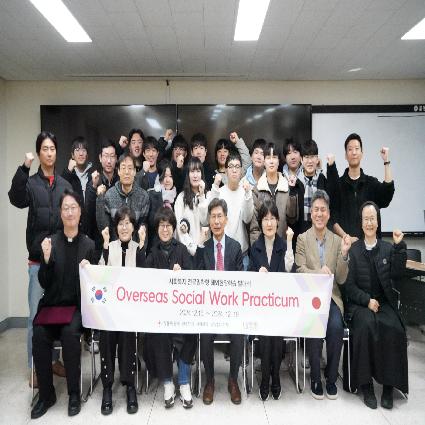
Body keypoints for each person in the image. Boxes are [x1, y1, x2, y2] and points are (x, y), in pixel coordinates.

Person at [8, 131, 71, 387]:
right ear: (38, 152)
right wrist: (24, 167)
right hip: (37, 262)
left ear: (57, 152)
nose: (49, 153)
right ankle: (35, 367)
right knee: (35, 317)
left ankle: (53, 362)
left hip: (60, 263)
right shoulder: (31, 183)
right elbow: (15, 198)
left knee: (57, 315)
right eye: (44, 149)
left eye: (52, 148)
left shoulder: (64, 185)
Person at [31, 189, 95, 419]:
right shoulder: (50, 243)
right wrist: (47, 259)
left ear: (80, 212)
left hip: (75, 309)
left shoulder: (88, 245)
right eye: (65, 208)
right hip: (51, 307)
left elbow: (95, 288)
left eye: (73, 208)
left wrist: (90, 271)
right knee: (39, 334)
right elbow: (44, 282)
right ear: (60, 213)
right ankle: (46, 395)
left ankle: (74, 394)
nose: (69, 212)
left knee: (69, 334)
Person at [345, 201, 408, 410]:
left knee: (393, 327)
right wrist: (366, 300)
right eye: (366, 219)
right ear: (361, 223)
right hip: (361, 304)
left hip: (384, 303)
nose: (369, 223)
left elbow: (398, 274)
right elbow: (349, 287)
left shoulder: (388, 248)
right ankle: (367, 386)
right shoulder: (354, 251)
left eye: (372, 219)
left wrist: (399, 247)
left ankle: (389, 386)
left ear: (378, 222)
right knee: (365, 326)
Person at [295, 190, 351, 400]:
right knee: (314, 324)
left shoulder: (337, 241)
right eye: (316, 210)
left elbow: (342, 278)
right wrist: (318, 273)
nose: (319, 214)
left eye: (323, 210)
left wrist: (344, 254)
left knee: (335, 327)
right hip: (310, 298)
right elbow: (299, 270)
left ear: (328, 214)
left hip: (331, 298)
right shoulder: (302, 239)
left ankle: (331, 377)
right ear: (311, 214)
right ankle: (315, 379)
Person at [145, 208, 196, 409]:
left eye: (168, 225)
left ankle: (183, 381)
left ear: (173, 228)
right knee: (158, 333)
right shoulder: (152, 252)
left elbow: (192, 278)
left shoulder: (181, 250)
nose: (165, 229)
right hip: (160, 311)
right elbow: (144, 280)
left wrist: (181, 274)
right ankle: (167, 383)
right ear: (157, 229)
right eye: (161, 226)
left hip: (181, 309)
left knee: (190, 331)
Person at [98, 206, 146, 415]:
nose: (124, 227)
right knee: (106, 333)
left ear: (133, 227)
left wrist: (142, 245)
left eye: (128, 223)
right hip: (110, 310)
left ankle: (130, 385)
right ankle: (107, 387)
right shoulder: (109, 247)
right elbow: (99, 275)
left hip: (130, 312)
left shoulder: (138, 247)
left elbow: (144, 277)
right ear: (115, 227)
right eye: (120, 223)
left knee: (127, 334)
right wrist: (105, 247)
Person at [196, 198, 244, 405]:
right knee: (205, 333)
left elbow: (240, 281)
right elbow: (196, 278)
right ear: (208, 220)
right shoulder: (204, 247)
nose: (216, 221)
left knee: (239, 332)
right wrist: (199, 245)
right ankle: (210, 380)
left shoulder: (235, 247)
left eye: (219, 217)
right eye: (213, 217)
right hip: (209, 307)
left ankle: (233, 379)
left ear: (226, 220)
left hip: (231, 306)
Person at [249, 200, 294, 401]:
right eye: (265, 219)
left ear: (278, 221)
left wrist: (290, 242)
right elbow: (250, 277)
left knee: (275, 330)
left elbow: (289, 270)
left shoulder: (284, 245)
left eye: (272, 218)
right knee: (267, 332)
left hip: (280, 305)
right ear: (260, 222)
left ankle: (275, 376)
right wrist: (257, 274)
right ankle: (266, 378)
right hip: (260, 306)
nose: (269, 223)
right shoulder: (255, 247)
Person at [329, 133, 395, 242]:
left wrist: (386, 161)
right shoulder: (338, 185)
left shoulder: (372, 183)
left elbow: (387, 195)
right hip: (346, 245)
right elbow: (332, 218)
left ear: (362, 154)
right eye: (350, 149)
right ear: (345, 155)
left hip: (370, 246)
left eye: (357, 148)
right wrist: (346, 237)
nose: (354, 152)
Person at [208, 151, 254, 270]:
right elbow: (210, 215)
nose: (234, 170)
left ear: (241, 170)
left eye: (237, 167)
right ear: (226, 170)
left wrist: (248, 194)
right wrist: (215, 186)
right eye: (231, 166)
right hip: (221, 253)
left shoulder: (245, 192)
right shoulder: (219, 192)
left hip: (242, 254)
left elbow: (247, 218)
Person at [250, 142, 298, 247]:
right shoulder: (256, 190)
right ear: (264, 162)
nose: (271, 161)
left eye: (274, 157)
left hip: (283, 246)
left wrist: (292, 193)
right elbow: (254, 228)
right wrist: (258, 251)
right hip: (263, 248)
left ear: (279, 161)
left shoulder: (287, 187)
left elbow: (292, 220)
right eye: (268, 158)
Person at [96, 153, 150, 243]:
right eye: (123, 168)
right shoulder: (109, 195)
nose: (127, 172)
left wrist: (140, 249)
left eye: (130, 168)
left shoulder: (143, 196)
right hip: (114, 247)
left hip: (135, 247)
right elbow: (103, 227)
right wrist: (100, 198)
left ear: (135, 172)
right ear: (118, 171)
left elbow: (143, 227)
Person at [175, 157, 208, 256]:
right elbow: (179, 229)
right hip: (186, 252)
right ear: (188, 174)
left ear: (202, 174)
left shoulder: (208, 196)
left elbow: (205, 222)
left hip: (206, 251)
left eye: (198, 171)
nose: (195, 175)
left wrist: (202, 196)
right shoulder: (181, 198)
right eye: (192, 171)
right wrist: (194, 249)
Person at [61, 136, 95, 203]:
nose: (81, 154)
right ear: (72, 155)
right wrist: (68, 171)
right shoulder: (67, 174)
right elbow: (60, 192)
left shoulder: (93, 175)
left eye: (84, 150)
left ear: (87, 155)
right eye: (77, 150)